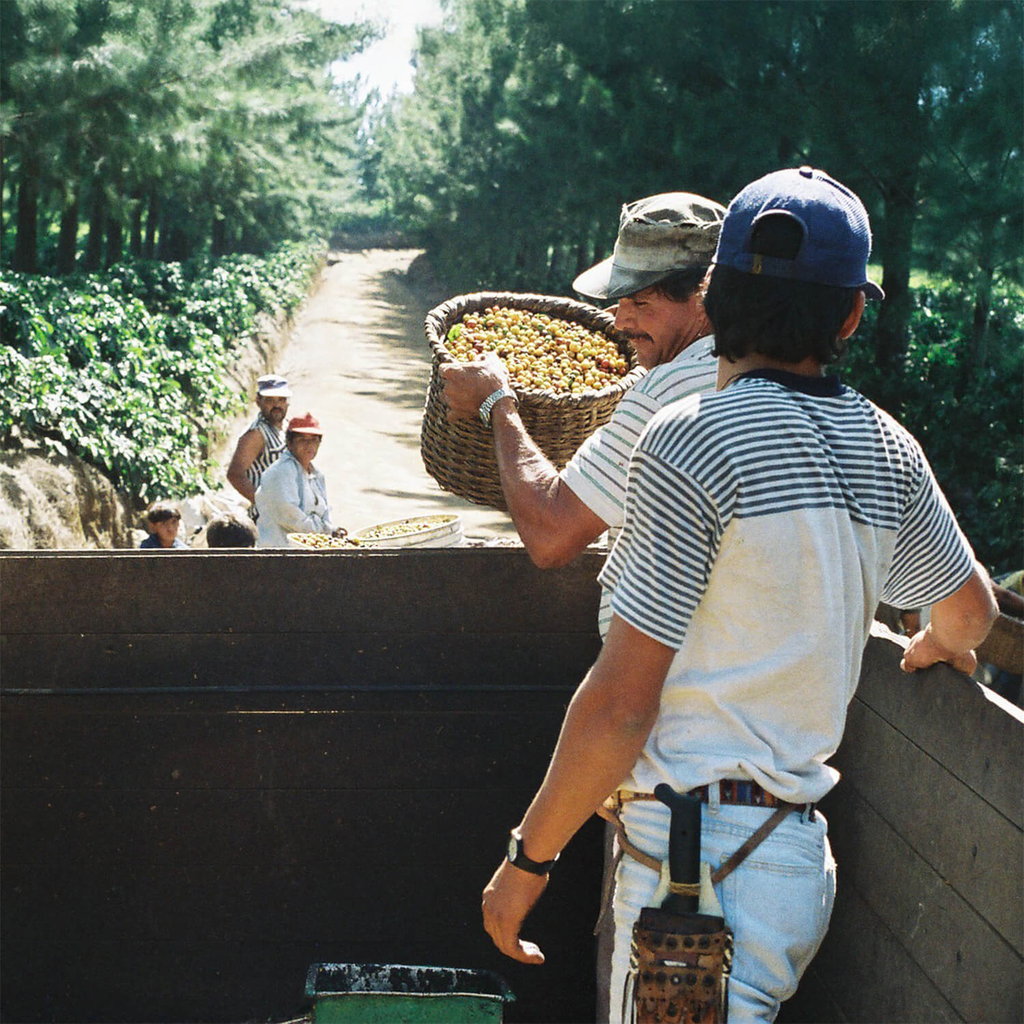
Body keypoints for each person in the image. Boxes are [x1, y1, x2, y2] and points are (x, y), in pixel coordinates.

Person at [480, 167, 997, 1023]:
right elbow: (970, 612)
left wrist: (526, 861)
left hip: (695, 883)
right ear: (850, 315)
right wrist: (942, 643)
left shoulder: (691, 440)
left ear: (714, 293)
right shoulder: (889, 447)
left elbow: (619, 708)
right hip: (790, 866)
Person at [441, 192, 726, 584]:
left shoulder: (663, 394)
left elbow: (551, 536)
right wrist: (644, 324)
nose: (621, 322)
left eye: (641, 302)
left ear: (705, 295)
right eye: (621, 301)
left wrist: (498, 401)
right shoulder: (741, 369)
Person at [254, 412, 341, 548]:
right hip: (279, 551)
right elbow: (290, 516)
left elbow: (325, 512)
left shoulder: (317, 475)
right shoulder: (282, 471)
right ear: (289, 442)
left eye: (313, 440)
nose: (309, 445)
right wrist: (326, 532)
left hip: (306, 550)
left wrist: (331, 530)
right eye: (302, 440)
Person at [226, 374, 291, 511]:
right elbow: (235, 474)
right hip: (268, 519)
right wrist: (263, 503)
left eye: (281, 399)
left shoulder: (286, 426)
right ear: (258, 401)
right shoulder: (256, 434)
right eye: (270, 400)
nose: (277, 405)